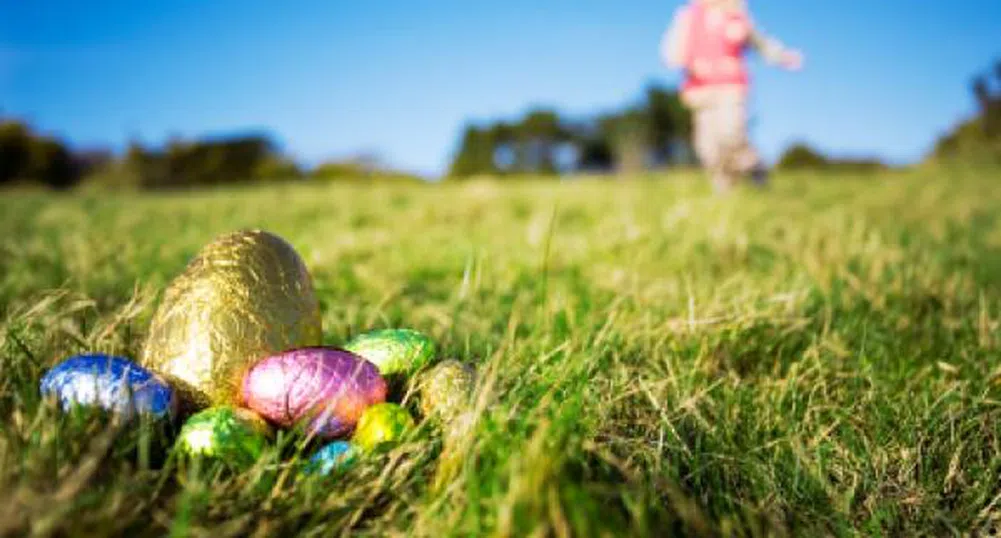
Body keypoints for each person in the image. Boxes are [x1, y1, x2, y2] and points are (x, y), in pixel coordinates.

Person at [661, 0, 804, 193]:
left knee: (730, 132)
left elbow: (760, 43)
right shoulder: (689, 16)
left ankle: (752, 163)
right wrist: (680, 60)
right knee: (707, 147)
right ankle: (725, 191)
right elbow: (674, 46)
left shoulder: (738, 17)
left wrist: (782, 56)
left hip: (731, 86)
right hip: (701, 90)